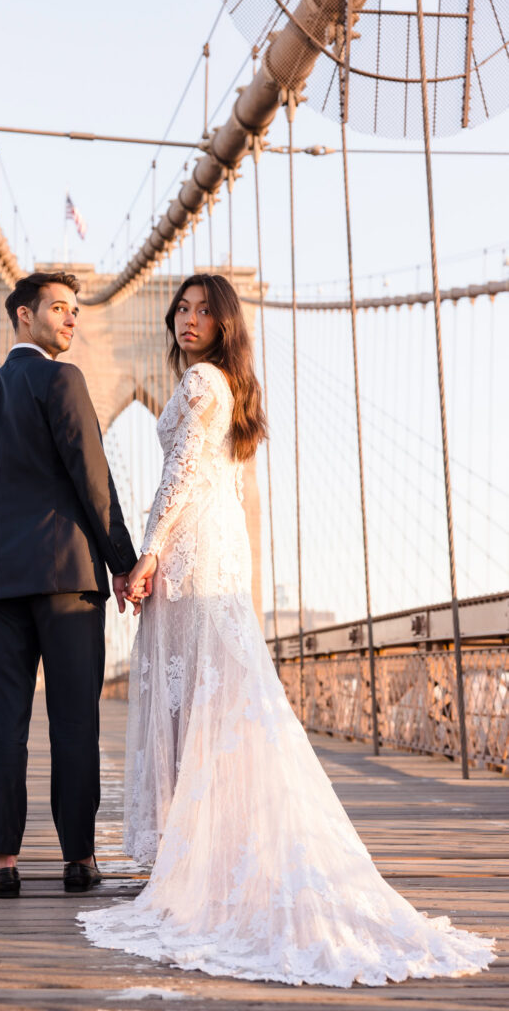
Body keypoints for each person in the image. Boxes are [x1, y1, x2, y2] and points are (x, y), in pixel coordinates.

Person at [78, 274, 495, 985]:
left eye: (204, 310)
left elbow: (179, 474)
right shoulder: (232, 387)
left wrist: (146, 554)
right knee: (216, 704)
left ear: (224, 323)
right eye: (181, 308)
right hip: (214, 554)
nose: (188, 319)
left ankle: (197, 862)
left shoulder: (202, 383)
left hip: (186, 556)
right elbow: (221, 485)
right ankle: (208, 851)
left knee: (193, 702)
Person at [0, 271, 138, 897]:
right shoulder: (63, 379)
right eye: (58, 309)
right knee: (73, 720)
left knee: (3, 721)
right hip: (68, 580)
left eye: (75, 310)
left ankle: (2, 862)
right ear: (23, 317)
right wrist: (124, 561)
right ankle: (79, 859)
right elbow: (94, 480)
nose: (71, 320)